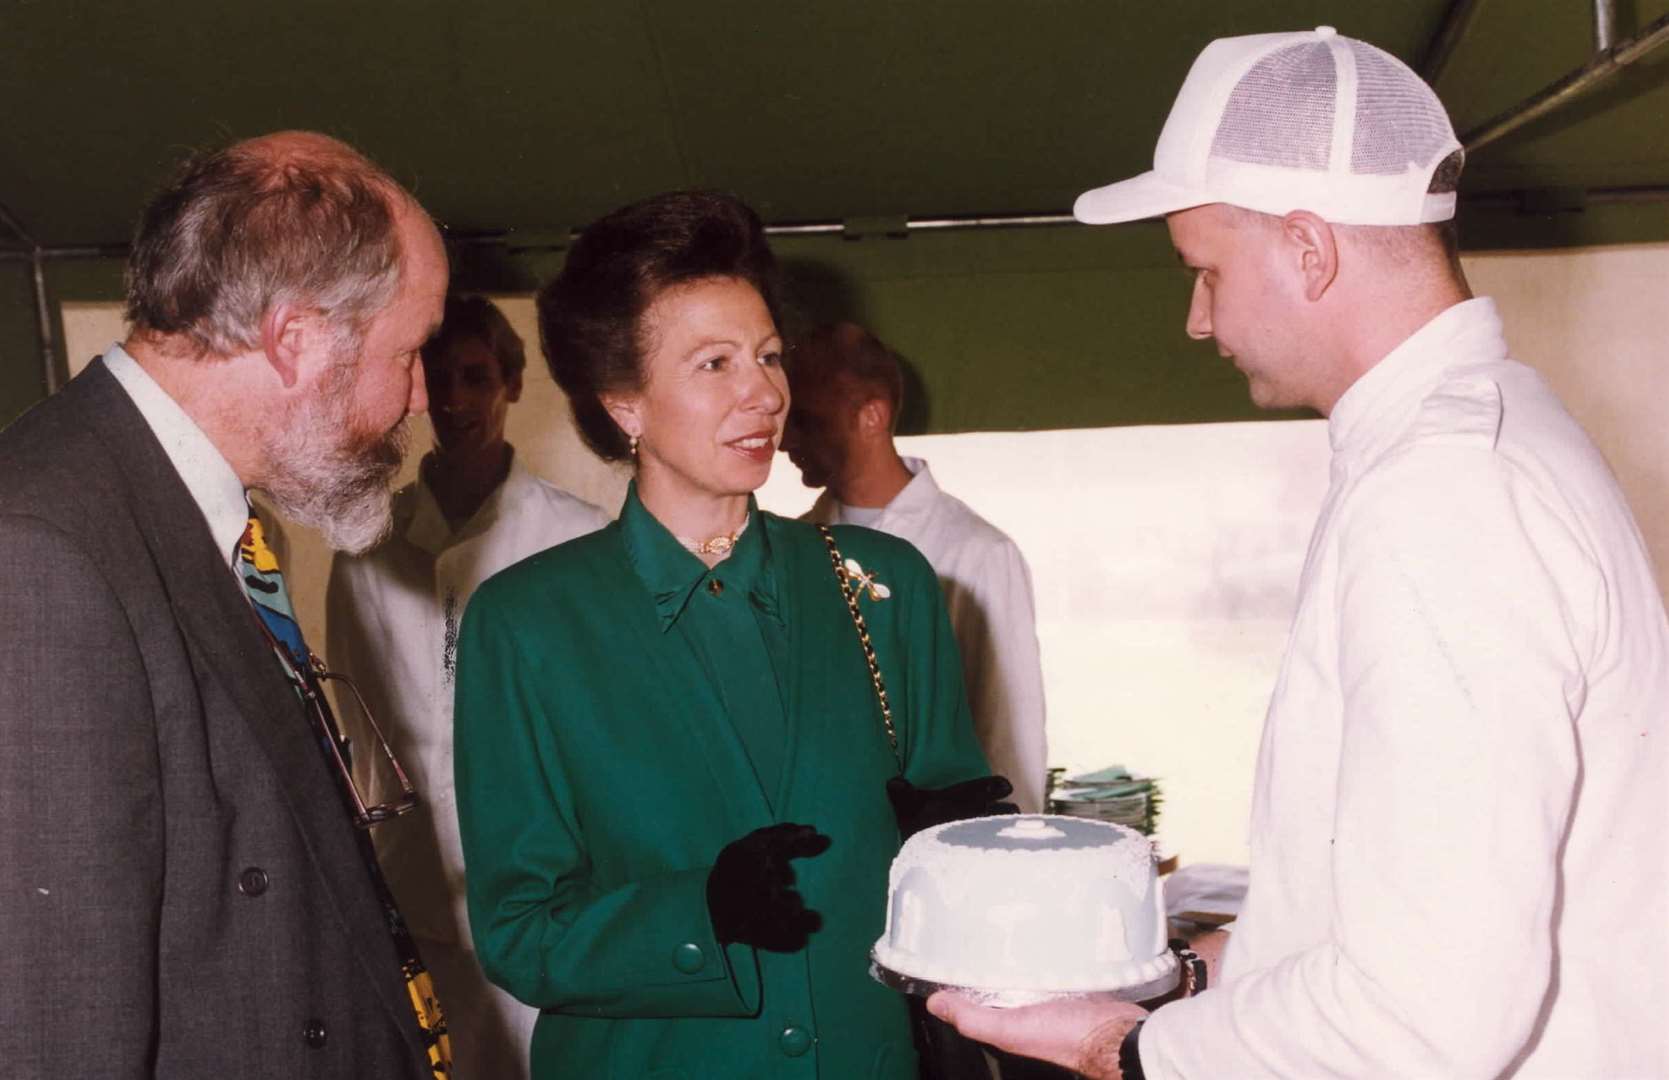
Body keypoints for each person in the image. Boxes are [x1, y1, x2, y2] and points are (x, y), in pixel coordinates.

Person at [930, 26, 1669, 1079]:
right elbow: (1403, 896)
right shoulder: (1473, 436)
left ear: (1309, 249)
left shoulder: (1443, 495)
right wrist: (1194, 974)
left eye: (1206, 271)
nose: (1195, 318)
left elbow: (1426, 1014)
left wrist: (1120, 1047)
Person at [452, 190, 1009, 1078]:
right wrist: (694, 916)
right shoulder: (526, 623)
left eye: (768, 356)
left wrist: (960, 856)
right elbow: (518, 936)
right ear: (623, 401)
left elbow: (954, 891)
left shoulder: (884, 586)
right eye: (713, 364)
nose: (763, 393)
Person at [0, 132, 454, 1077]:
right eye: (409, 352)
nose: (418, 399)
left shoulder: (194, 508)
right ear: (294, 340)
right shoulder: (39, 550)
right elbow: (59, 1018)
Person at [327, 294, 610, 1078]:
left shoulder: (580, 537)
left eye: (476, 377)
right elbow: (355, 722)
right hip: (414, 884)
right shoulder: (369, 548)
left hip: (546, 879)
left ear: (512, 385)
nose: (455, 401)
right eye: (439, 379)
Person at [784, 321, 1049, 813]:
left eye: (807, 420)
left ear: (872, 416)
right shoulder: (791, 547)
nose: (784, 442)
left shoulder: (977, 553)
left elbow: (1010, 733)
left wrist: (1012, 857)